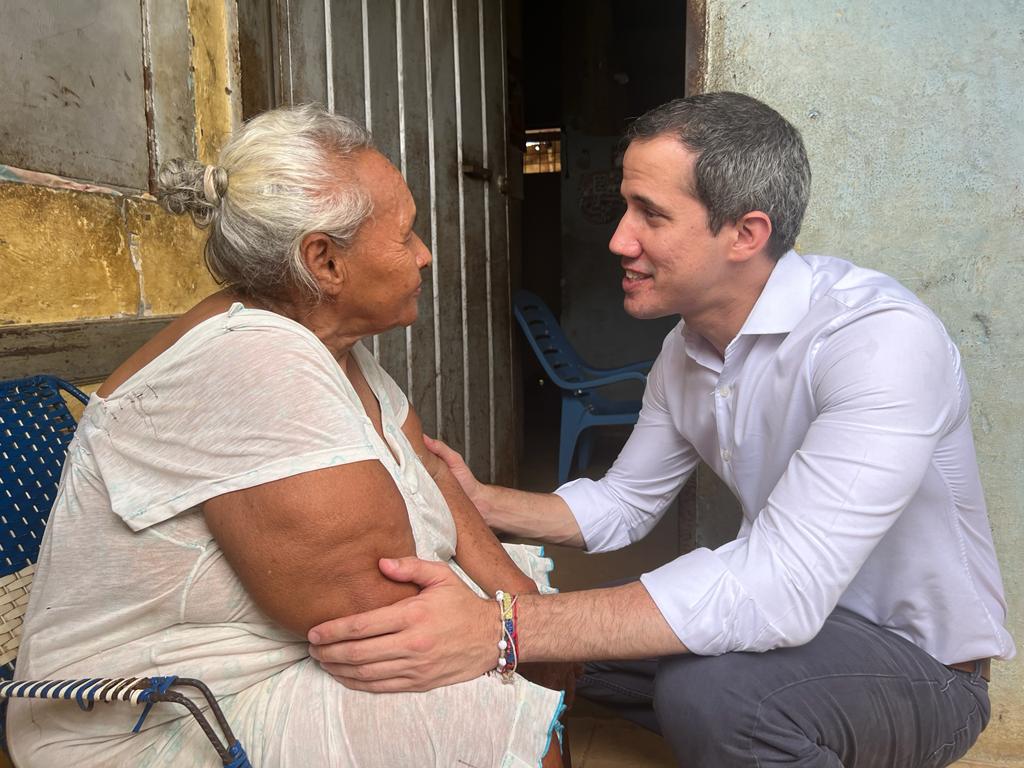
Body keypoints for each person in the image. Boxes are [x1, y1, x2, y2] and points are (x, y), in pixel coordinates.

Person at [306, 92, 1016, 767]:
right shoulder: (686, 351)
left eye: (651, 214)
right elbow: (623, 506)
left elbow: (778, 588)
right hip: (797, 628)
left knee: (713, 695)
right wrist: (473, 499)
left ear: (746, 234)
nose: (619, 239)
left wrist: (501, 627)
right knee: (565, 646)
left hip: (920, 668)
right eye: (625, 208)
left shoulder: (879, 341)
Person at [9, 105, 571, 767]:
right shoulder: (255, 360)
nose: (425, 254)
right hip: (156, 712)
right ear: (323, 261)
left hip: (275, 658)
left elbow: (431, 473)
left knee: (512, 657)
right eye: (407, 235)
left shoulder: (336, 346)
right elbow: (377, 617)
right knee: (493, 716)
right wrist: (521, 640)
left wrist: (523, 613)